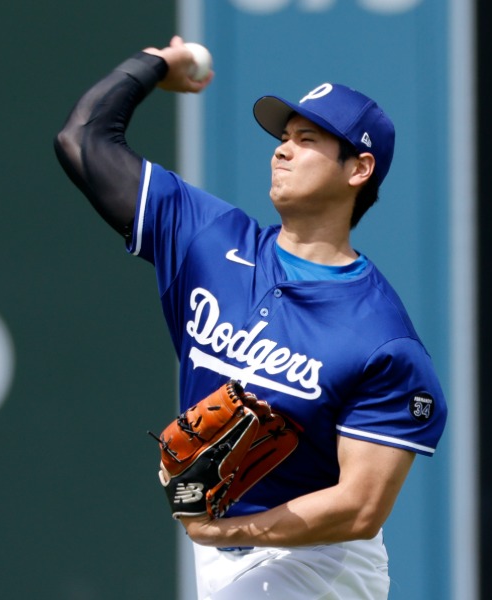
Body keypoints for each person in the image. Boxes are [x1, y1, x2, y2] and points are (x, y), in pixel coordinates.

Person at [54, 35, 447, 600]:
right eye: (282, 138)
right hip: (221, 556)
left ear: (359, 168)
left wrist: (224, 531)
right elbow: (83, 139)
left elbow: (360, 507)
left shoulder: (382, 339)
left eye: (306, 139)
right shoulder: (207, 240)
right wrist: (157, 63)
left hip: (317, 566)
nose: (282, 150)